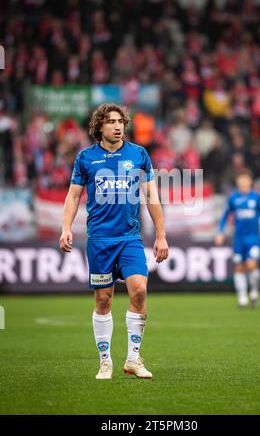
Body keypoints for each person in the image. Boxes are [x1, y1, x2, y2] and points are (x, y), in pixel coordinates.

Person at [59, 103, 169, 379]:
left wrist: (161, 234)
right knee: (104, 300)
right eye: (110, 122)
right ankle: (105, 361)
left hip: (130, 237)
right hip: (99, 240)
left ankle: (133, 358)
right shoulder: (86, 158)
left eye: (120, 121)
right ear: (99, 127)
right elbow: (73, 197)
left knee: (140, 291)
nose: (118, 126)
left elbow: (151, 197)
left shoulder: (138, 154)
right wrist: (66, 228)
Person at [214, 169, 260, 307]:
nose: (243, 182)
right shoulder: (233, 198)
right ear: (237, 182)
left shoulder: (256, 197)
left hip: (253, 238)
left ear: (250, 182)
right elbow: (225, 216)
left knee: (251, 264)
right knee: (239, 267)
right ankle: (242, 296)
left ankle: (255, 291)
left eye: (246, 180)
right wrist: (220, 232)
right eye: (241, 180)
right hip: (238, 239)